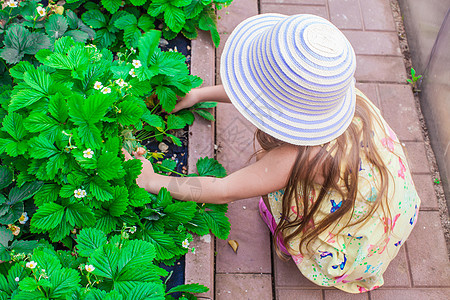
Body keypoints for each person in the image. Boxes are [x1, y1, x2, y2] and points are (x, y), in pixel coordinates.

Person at [123, 14, 421, 293]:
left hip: (357, 236)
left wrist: (152, 181)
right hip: (389, 191)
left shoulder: (296, 159)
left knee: (277, 189)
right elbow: (261, 87)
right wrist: (200, 94)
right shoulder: (335, 98)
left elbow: (224, 189)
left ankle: (312, 236)